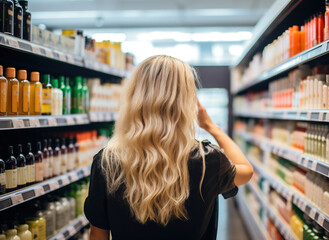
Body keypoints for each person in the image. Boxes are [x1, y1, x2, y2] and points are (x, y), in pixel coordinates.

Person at [84, 55, 253, 240]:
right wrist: (212, 127)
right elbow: (246, 171)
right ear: (186, 101)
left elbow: (97, 234)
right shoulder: (208, 161)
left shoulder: (106, 162)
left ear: (134, 98)